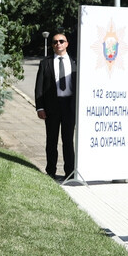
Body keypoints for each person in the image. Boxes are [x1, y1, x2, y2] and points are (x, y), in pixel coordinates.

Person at [34, 32, 77, 181]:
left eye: (61, 41)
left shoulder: (75, 62)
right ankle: (51, 171)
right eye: (55, 42)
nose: (58, 44)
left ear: (67, 43)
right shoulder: (45, 63)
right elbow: (39, 87)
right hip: (52, 107)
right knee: (51, 141)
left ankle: (70, 172)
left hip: (69, 106)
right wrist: (40, 107)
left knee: (68, 141)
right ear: (52, 45)